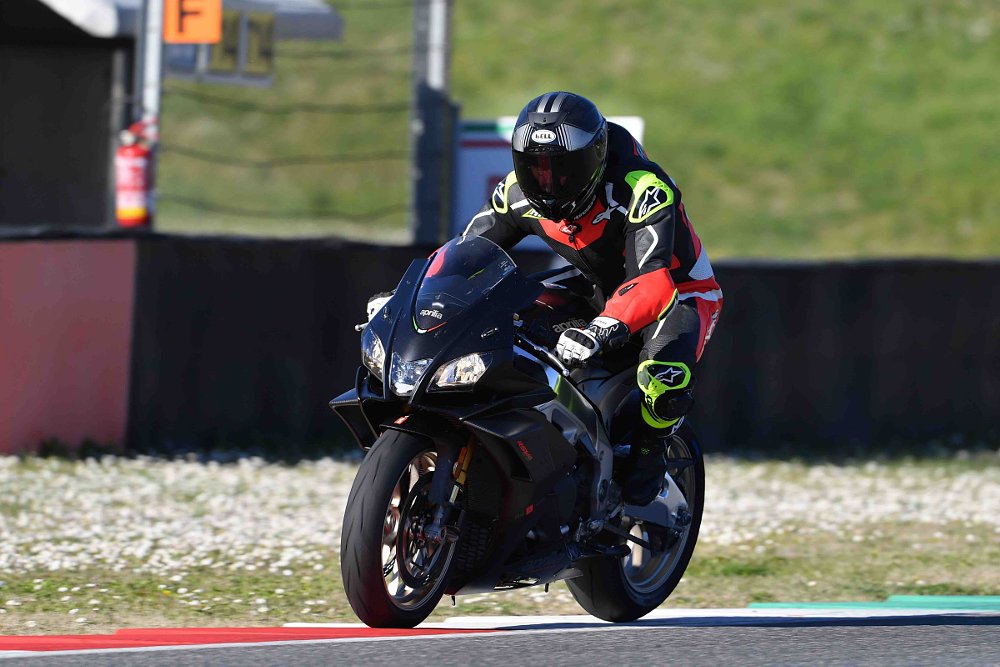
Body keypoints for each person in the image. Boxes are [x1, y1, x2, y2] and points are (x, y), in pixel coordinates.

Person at [459, 92, 723, 506]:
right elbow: (465, 254)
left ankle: (648, 460)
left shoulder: (643, 189)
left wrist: (601, 329)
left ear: (595, 159)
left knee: (664, 375)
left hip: (679, 293)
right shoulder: (514, 193)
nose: (549, 183)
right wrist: (418, 298)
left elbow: (652, 280)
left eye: (563, 169)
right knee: (514, 326)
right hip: (595, 288)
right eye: (535, 169)